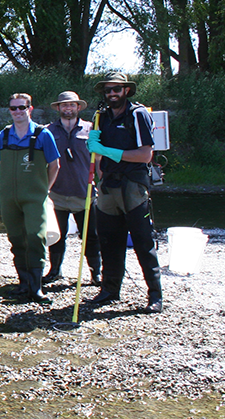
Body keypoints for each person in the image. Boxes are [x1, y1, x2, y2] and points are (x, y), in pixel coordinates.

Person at [86, 72, 163, 313]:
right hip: (108, 185)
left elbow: (145, 155)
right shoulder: (101, 116)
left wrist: (107, 151)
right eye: (108, 90)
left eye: (116, 89)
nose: (112, 94)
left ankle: (155, 296)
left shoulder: (138, 115)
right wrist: (98, 167)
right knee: (108, 240)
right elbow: (98, 156)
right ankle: (110, 290)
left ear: (126, 90)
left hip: (133, 184)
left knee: (143, 241)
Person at [0, 93, 60, 304]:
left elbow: (55, 166)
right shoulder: (3, 135)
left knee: (35, 237)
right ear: (10, 111)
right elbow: (2, 164)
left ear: (30, 109)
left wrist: (43, 190)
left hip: (34, 197)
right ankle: (23, 283)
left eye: (22, 107)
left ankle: (36, 287)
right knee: (16, 238)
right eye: (13, 108)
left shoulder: (43, 135)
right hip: (9, 198)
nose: (18, 111)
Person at [45, 91, 102, 286]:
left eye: (72, 105)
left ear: (78, 108)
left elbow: (100, 159)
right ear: (58, 108)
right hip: (56, 194)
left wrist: (101, 184)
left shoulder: (92, 129)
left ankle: (96, 274)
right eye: (64, 105)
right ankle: (55, 271)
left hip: (85, 194)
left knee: (91, 236)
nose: (68, 108)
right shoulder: (48, 131)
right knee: (56, 236)